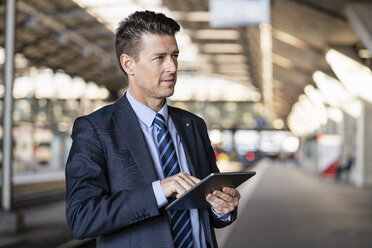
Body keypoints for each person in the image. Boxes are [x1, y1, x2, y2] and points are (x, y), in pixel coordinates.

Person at [65, 10, 240, 248]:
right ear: (129, 64)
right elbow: (81, 218)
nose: (172, 67)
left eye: (175, 55)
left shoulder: (193, 125)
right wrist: (159, 190)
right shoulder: (96, 130)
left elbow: (208, 209)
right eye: (159, 58)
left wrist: (223, 209)